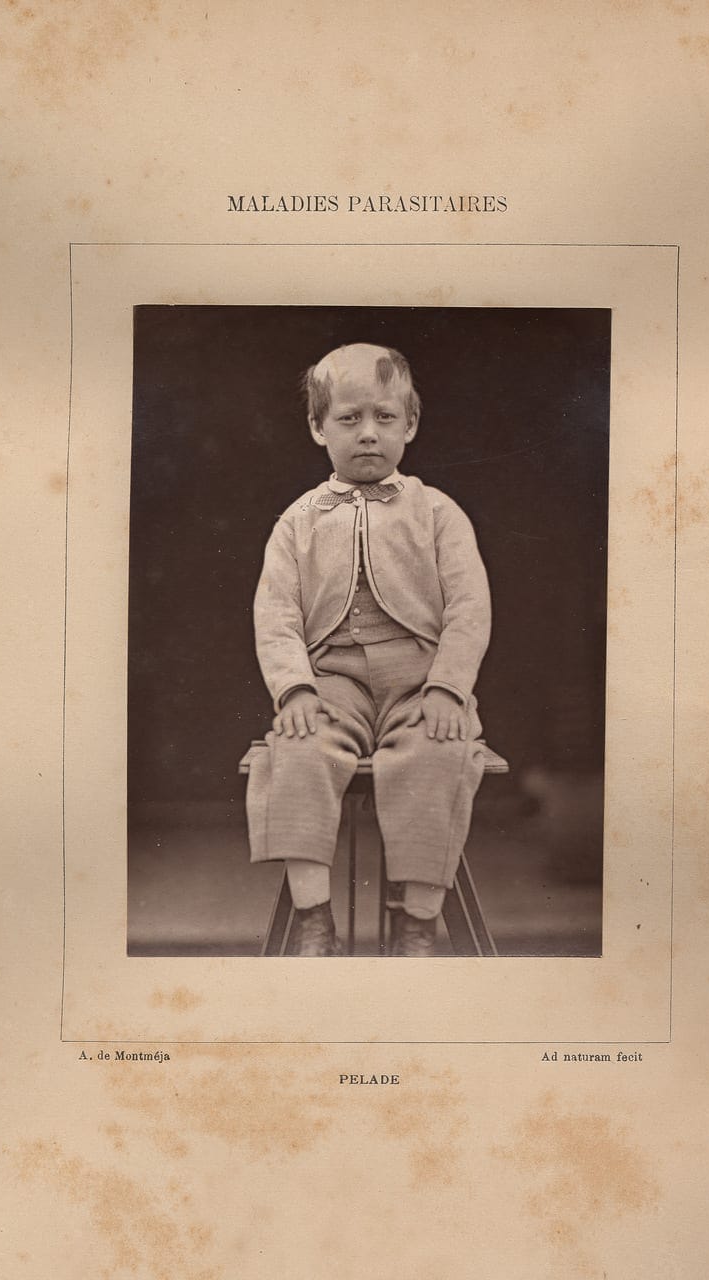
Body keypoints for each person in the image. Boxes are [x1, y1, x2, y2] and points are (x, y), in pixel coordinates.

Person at [246, 342, 491, 955]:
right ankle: (314, 920)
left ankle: (418, 921)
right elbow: (275, 611)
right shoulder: (297, 521)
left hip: (420, 678)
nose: (368, 434)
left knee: (438, 747)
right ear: (316, 427)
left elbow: (469, 607)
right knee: (298, 747)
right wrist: (295, 687)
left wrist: (447, 686)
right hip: (334, 680)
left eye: (385, 418)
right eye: (349, 419)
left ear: (410, 424)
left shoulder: (437, 512)